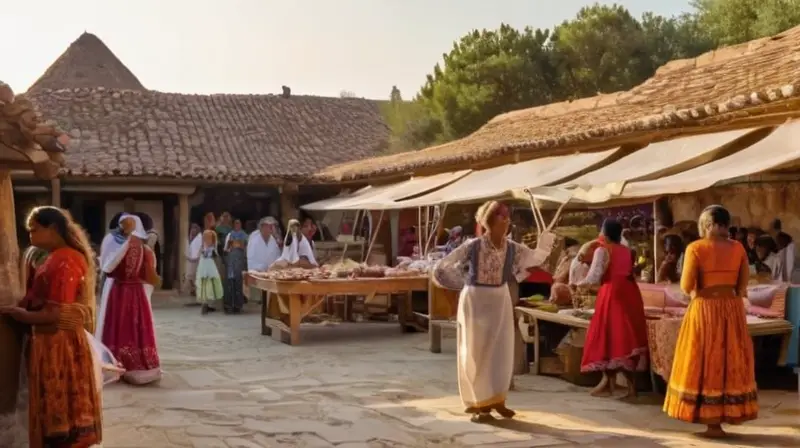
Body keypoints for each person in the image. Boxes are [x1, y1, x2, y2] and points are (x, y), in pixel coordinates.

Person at [432, 201, 554, 423]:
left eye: (507, 216)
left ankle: (497, 399)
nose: (506, 220)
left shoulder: (512, 247)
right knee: (477, 351)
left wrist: (544, 244)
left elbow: (534, 258)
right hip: (476, 299)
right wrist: (463, 283)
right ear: (489, 220)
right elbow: (442, 266)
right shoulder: (473, 245)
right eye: (501, 216)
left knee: (500, 350)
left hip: (500, 298)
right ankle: (480, 404)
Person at [0, 207, 104, 446]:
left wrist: (21, 315)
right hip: (54, 340)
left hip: (59, 344)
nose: (31, 236)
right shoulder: (54, 257)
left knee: (60, 410)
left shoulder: (65, 259)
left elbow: (55, 312)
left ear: (53, 229)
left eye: (35, 230)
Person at [663, 205, 758, 438]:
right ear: (726, 224)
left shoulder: (696, 248)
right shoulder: (739, 249)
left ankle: (710, 420)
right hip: (731, 309)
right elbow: (743, 285)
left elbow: (686, 286)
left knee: (704, 358)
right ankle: (724, 415)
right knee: (729, 358)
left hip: (704, 309)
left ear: (706, 225)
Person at [575, 219, 648, 398]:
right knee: (626, 338)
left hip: (611, 293)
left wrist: (578, 284)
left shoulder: (603, 250)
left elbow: (594, 276)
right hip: (630, 294)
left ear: (604, 233)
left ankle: (609, 383)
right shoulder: (628, 251)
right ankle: (630, 387)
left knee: (608, 336)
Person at [96, 213, 162, 385]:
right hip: (136, 291)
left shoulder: (113, 241)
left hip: (117, 289)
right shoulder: (143, 247)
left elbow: (107, 266)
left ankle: (116, 362)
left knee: (116, 324)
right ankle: (137, 364)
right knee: (135, 326)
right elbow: (150, 274)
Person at [196, 230, 225, 314]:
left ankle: (212, 304)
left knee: (213, 286)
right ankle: (205, 303)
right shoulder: (203, 247)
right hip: (203, 269)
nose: (206, 240)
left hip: (211, 269)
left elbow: (215, 258)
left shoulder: (214, 249)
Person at [223, 219, 248, 314]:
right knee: (230, 283)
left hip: (240, 262)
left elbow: (246, 248)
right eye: (236, 224)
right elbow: (226, 248)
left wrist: (240, 246)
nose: (237, 225)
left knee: (238, 283)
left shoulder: (245, 235)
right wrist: (232, 245)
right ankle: (229, 305)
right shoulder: (230, 235)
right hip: (231, 261)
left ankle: (238, 305)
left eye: (239, 223)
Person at [184, 223, 202, 297]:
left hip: (197, 260)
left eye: (195, 229)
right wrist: (187, 256)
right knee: (189, 276)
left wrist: (198, 257)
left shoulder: (200, 237)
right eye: (192, 229)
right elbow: (186, 248)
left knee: (195, 276)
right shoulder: (189, 238)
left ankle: (196, 290)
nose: (193, 230)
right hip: (190, 260)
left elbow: (201, 248)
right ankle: (192, 289)